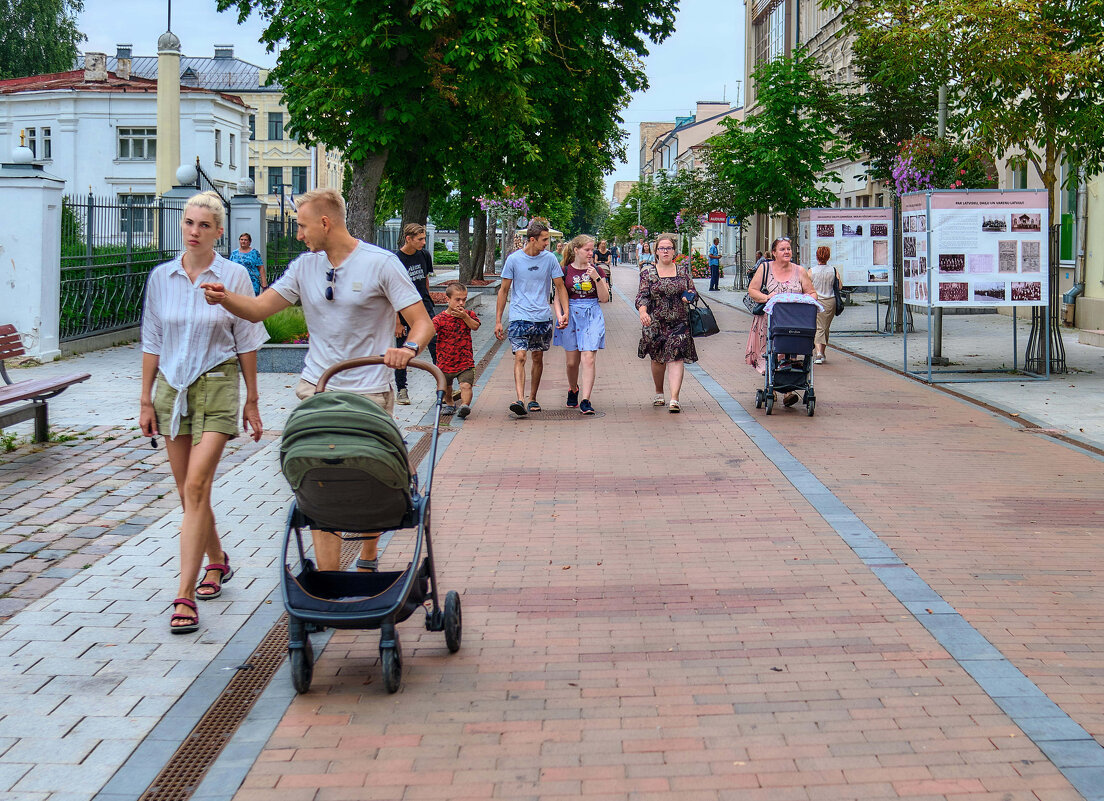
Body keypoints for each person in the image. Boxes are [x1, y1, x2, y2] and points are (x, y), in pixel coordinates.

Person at [201, 188, 434, 574]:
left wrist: (407, 349)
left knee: (367, 478)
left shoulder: (380, 264)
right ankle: (328, 578)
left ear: (325, 222)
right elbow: (259, 309)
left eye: (302, 225)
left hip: (369, 392)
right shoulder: (304, 267)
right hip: (318, 389)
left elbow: (422, 322)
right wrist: (225, 298)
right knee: (321, 480)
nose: (298, 234)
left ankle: (368, 556)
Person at [140, 191, 267, 634]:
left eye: (204, 225)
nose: (194, 231)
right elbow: (152, 339)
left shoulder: (234, 275)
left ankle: (184, 594)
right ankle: (217, 559)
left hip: (217, 382)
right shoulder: (161, 277)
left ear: (219, 232)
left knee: (196, 484)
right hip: (171, 387)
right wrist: (145, 399)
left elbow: (248, 339)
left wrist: (252, 399)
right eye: (189, 223)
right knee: (186, 492)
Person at [494, 220, 569, 417]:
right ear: (532, 239)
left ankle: (533, 397)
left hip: (542, 316)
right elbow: (503, 290)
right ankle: (519, 398)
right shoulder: (514, 260)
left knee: (537, 356)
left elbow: (560, 287)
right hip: (519, 315)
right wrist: (498, 320)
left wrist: (564, 312)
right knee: (520, 355)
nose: (547, 244)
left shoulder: (550, 259)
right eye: (544, 240)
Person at [744, 236, 817, 406]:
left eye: (789, 249)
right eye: (782, 249)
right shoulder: (765, 268)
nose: (786, 252)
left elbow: (812, 293)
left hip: (793, 322)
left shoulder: (800, 271)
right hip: (769, 322)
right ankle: (773, 388)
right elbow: (752, 290)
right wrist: (767, 297)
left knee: (788, 355)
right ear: (774, 253)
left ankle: (787, 391)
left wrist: (805, 301)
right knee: (771, 354)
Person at [636, 233, 697, 413]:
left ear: (674, 251)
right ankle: (659, 392)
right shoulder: (648, 272)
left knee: (676, 357)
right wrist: (643, 311)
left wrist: (688, 297)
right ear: (656, 251)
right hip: (656, 321)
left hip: (679, 320)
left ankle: (674, 398)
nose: (665, 251)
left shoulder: (682, 271)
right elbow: (642, 295)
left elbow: (692, 290)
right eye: (662, 248)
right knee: (658, 359)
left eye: (669, 248)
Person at [553, 234, 609, 415]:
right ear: (576, 250)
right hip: (571, 313)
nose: (590, 253)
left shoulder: (597, 271)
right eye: (587, 250)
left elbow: (604, 298)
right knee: (571, 363)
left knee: (589, 358)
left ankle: (586, 399)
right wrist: (560, 315)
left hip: (592, 314)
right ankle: (573, 389)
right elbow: (557, 297)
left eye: (592, 249)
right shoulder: (565, 271)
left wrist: (597, 278)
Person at [394, 223, 438, 405]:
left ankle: (443, 386)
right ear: (408, 239)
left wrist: (427, 299)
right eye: (420, 239)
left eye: (424, 238)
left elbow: (425, 279)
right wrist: (397, 321)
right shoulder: (396, 260)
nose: (423, 242)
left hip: (423, 307)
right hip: (403, 309)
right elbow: (391, 291)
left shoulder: (424, 255)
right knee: (402, 349)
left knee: (436, 345)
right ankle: (402, 390)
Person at [432, 282, 480, 418]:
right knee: (446, 387)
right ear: (448, 299)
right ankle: (450, 404)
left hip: (465, 361)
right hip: (445, 361)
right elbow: (430, 330)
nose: (461, 303)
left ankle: (464, 406)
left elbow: (475, 326)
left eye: (464, 299)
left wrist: (465, 316)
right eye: (457, 299)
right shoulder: (440, 319)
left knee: (466, 385)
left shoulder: (469, 314)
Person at [809, 245, 841, 364]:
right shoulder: (833, 270)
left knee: (819, 328)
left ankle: (818, 354)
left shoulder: (811, 271)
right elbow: (839, 286)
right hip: (830, 301)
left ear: (817, 256)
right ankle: (822, 352)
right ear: (828, 257)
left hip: (816, 301)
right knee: (825, 327)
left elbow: (806, 286)